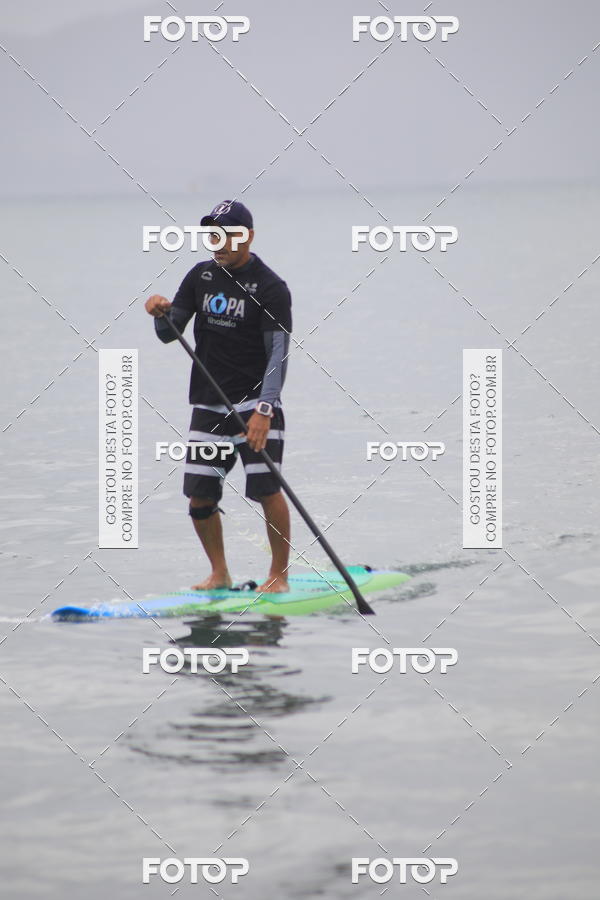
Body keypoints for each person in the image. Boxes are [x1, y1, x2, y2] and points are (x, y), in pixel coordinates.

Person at [145, 200, 292, 593]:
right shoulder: (200, 277)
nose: (219, 242)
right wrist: (161, 313)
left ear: (248, 236)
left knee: (265, 489)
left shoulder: (272, 288)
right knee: (199, 496)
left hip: (255, 407)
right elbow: (168, 334)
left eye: (228, 234)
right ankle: (219, 573)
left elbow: (279, 355)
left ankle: (279, 576)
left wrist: (265, 409)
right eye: (213, 234)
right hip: (209, 407)